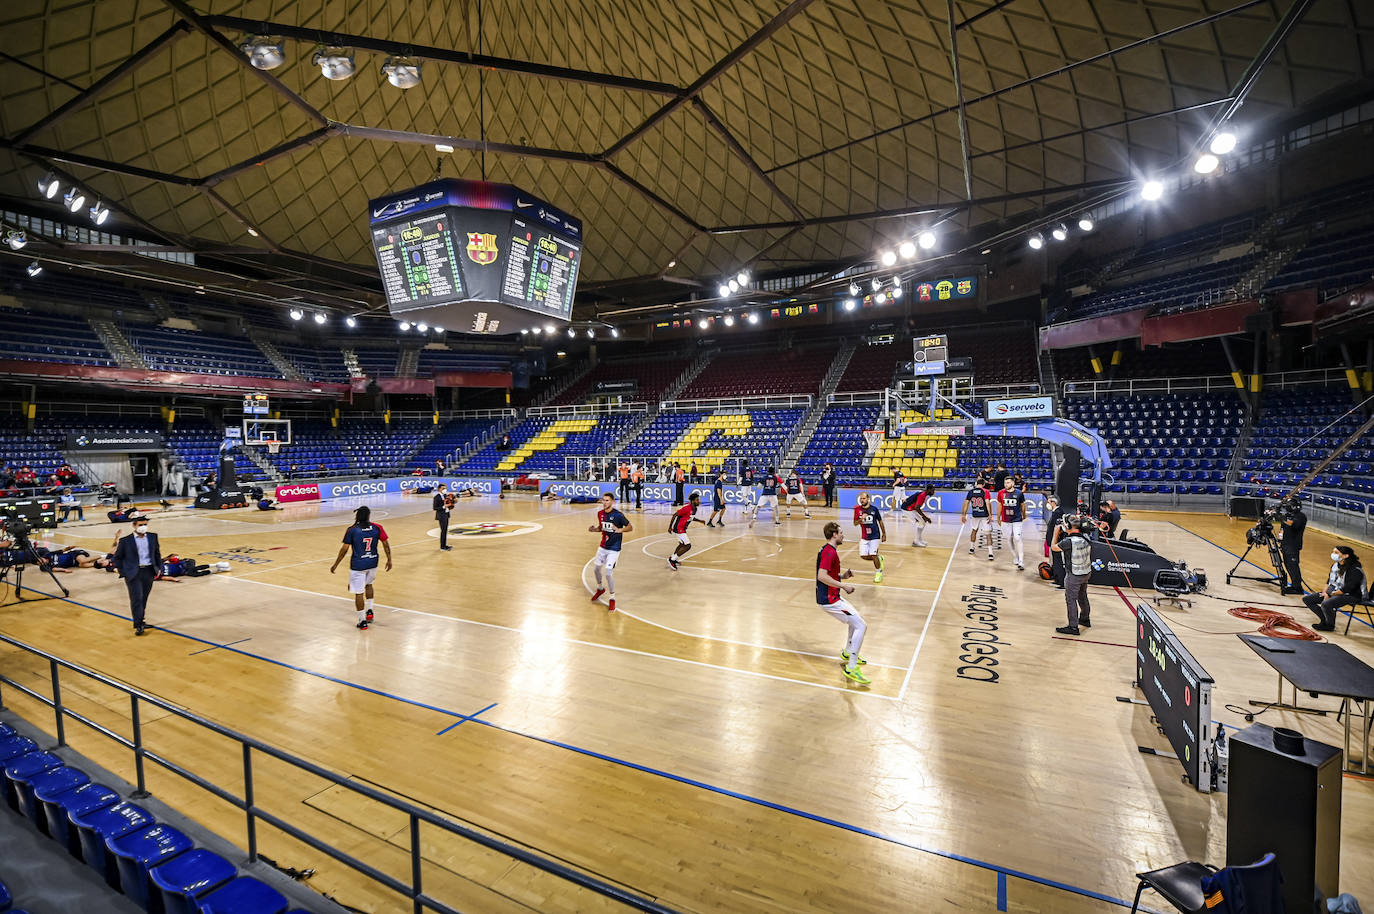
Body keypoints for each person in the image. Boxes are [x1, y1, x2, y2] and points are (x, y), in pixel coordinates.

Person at [815, 521, 869, 685]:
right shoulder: (829, 553)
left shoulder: (828, 550)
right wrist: (843, 585)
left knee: (855, 621)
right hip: (829, 600)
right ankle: (851, 667)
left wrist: (843, 577)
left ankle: (847, 653)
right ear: (834, 535)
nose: (843, 534)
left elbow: (828, 574)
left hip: (834, 596)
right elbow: (822, 576)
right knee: (861, 625)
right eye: (841, 532)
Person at [330, 505, 392, 630]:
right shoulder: (377, 527)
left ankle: (362, 620)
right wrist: (389, 559)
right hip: (373, 561)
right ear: (369, 515)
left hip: (358, 565)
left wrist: (336, 564)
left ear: (357, 516)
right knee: (369, 585)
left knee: (359, 592)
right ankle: (370, 611)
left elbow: (344, 549)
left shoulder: (352, 529)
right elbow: (385, 544)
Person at [113, 516, 162, 635]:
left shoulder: (153, 536)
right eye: (140, 525)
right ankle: (138, 624)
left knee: (144, 598)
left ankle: (141, 619)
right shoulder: (125, 541)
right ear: (134, 526)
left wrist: (158, 568)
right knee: (137, 598)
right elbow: (118, 557)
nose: (143, 527)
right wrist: (123, 572)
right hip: (133, 573)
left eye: (145, 524)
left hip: (149, 571)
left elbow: (157, 553)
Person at [1303, 546, 1364, 632]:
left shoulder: (1355, 569)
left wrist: (1330, 595)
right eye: (1333, 552)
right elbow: (1329, 581)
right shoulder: (1335, 565)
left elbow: (1348, 588)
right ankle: (1324, 619)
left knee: (1326, 603)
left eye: (1336, 553)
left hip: (1351, 595)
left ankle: (1329, 625)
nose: (1333, 554)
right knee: (1308, 599)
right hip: (1335, 591)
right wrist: (1325, 592)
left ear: (1346, 556)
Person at [589, 492, 632, 612]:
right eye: (603, 500)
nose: (604, 502)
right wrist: (594, 530)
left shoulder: (618, 515)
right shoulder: (600, 514)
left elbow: (630, 527)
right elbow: (601, 528)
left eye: (607, 500)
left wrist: (620, 530)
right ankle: (600, 588)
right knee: (596, 569)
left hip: (614, 549)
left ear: (612, 502)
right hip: (603, 546)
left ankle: (612, 598)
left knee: (608, 573)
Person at [1051, 514, 1094, 635]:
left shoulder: (1068, 541)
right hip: (1086, 572)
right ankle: (1085, 619)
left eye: (1064, 524)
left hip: (1074, 575)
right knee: (1082, 596)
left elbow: (1053, 547)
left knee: (1071, 599)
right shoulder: (1086, 536)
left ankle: (1073, 627)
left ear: (1069, 526)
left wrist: (1055, 533)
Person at [853, 491, 887, 583]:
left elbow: (880, 522)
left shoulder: (874, 509)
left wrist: (884, 534)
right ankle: (879, 558)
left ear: (868, 499)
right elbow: (855, 523)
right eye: (861, 498)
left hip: (875, 535)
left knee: (873, 554)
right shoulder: (857, 510)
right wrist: (861, 519)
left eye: (863, 498)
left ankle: (878, 573)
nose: (862, 500)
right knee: (863, 556)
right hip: (864, 536)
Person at [961, 477, 996, 560]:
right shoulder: (986, 491)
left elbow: (966, 503)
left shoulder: (971, 492)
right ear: (983, 484)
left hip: (975, 514)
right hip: (984, 515)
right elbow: (988, 503)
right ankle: (990, 553)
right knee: (988, 534)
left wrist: (963, 515)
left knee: (974, 530)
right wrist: (990, 514)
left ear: (976, 484)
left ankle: (971, 548)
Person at [667, 492, 704, 570]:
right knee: (688, 546)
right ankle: (672, 560)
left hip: (682, 529)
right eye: (697, 500)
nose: (699, 501)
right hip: (679, 528)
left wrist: (700, 520)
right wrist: (670, 527)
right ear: (693, 501)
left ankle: (673, 558)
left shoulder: (695, 509)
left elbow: (691, 517)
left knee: (681, 544)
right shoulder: (687, 508)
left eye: (699, 500)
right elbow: (675, 515)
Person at [998, 477, 1028, 572]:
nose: (1006, 484)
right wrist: (998, 517)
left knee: (1017, 538)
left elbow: (1023, 505)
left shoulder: (1019, 493)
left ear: (1013, 483)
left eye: (1008, 482)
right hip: (1005, 520)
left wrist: (1024, 515)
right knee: (1009, 538)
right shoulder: (1001, 493)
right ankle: (1015, 557)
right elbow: (999, 505)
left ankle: (1021, 561)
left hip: (1017, 520)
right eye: (1005, 482)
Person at [1279, 497, 1307, 595]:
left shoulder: (1300, 516)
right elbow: (1283, 528)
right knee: (1288, 565)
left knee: (1293, 566)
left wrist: (1280, 516)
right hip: (1285, 544)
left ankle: (1297, 587)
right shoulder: (1287, 515)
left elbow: (1292, 524)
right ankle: (1294, 585)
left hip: (1293, 546)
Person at [1043, 495, 1065, 586]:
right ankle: (1057, 579)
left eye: (1048, 502)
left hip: (1055, 541)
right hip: (1054, 541)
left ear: (1053, 503)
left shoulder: (1057, 513)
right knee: (1055, 561)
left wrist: (1053, 541)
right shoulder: (1057, 512)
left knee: (1057, 561)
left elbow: (1056, 529)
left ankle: (1060, 581)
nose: (1047, 504)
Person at [433, 483, 453, 551]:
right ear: (439, 489)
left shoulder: (445, 496)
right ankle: (442, 547)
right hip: (441, 516)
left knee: (445, 531)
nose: (445, 490)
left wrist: (453, 503)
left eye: (445, 488)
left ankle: (444, 545)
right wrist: (444, 507)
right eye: (443, 488)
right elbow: (435, 508)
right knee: (443, 531)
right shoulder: (436, 497)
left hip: (446, 514)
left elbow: (450, 503)